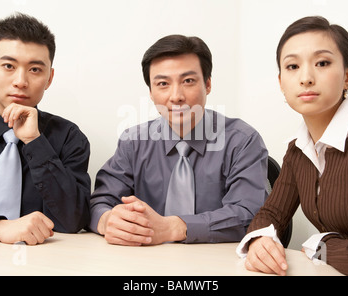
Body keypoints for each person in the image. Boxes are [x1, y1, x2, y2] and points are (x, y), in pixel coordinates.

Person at [236, 16, 348, 276]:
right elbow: (271, 214)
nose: (306, 78)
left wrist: (318, 244)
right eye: (292, 66)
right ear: (280, 83)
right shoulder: (299, 151)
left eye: (322, 63)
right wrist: (260, 240)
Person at [89, 34, 268, 245]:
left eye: (188, 81)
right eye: (163, 83)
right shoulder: (133, 142)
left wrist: (173, 227)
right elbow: (99, 202)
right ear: (151, 92)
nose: (176, 96)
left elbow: (249, 214)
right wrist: (108, 220)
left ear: (208, 84)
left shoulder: (242, 141)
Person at [0, 13, 91, 245]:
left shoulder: (69, 138)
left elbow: (74, 220)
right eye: (8, 66)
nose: (21, 81)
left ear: (49, 78)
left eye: (35, 69)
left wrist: (35, 142)